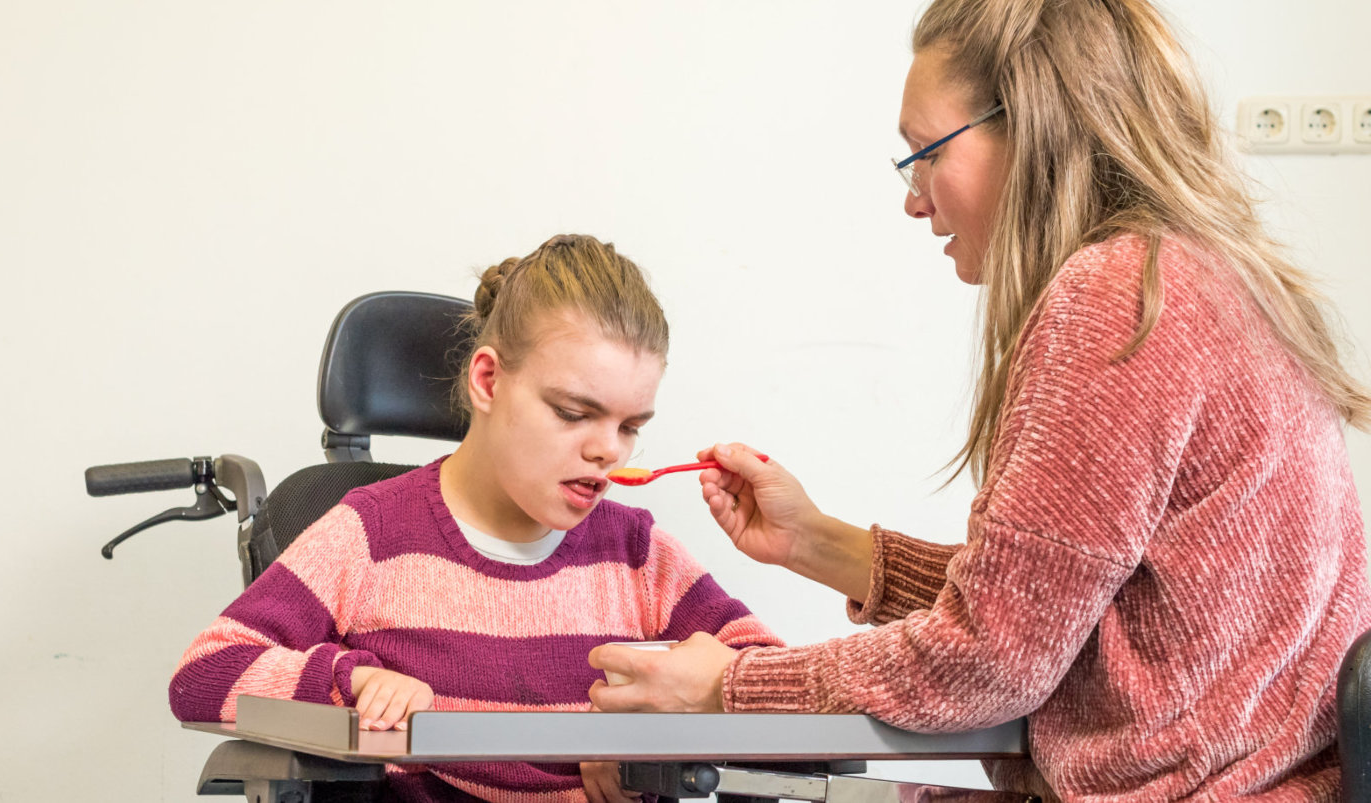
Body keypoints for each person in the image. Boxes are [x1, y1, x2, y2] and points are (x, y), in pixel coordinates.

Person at [587, 1, 1371, 801]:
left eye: (924, 153)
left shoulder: (1117, 300)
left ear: (1029, 127)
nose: (914, 199)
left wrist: (730, 688)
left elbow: (991, 655)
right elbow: (1056, 612)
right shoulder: (1203, 277)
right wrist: (815, 542)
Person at [168, 234, 781, 803]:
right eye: (574, 413)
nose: (608, 451)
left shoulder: (636, 553)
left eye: (629, 427)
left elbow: (772, 683)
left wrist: (646, 732)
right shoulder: (370, 535)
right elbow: (203, 674)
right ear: (487, 380)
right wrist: (347, 683)